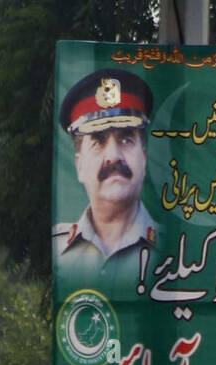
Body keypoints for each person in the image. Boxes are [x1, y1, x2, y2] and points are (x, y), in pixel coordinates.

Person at [53, 68, 160, 284]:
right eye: (98, 142)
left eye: (126, 139)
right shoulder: (56, 249)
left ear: (144, 158)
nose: (113, 157)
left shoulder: (174, 248)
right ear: (79, 165)